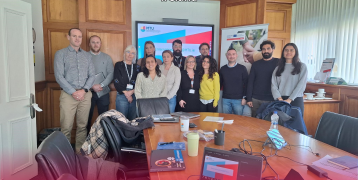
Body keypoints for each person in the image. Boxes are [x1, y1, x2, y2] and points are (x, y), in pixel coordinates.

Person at [54, 28, 95, 152]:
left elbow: (92, 75)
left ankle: (79, 153)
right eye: (74, 36)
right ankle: (65, 155)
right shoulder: (60, 54)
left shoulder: (87, 56)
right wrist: (73, 91)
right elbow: (59, 76)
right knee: (66, 127)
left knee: (82, 126)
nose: (77, 39)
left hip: (85, 95)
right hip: (68, 95)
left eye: (80, 37)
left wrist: (84, 90)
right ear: (68, 37)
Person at [86, 35, 114, 133]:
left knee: (104, 119)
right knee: (86, 119)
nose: (95, 44)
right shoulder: (84, 57)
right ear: (89, 44)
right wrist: (91, 86)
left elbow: (111, 74)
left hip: (103, 92)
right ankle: (87, 142)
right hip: (88, 92)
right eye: (93, 42)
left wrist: (101, 85)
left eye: (97, 42)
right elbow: (81, 75)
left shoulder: (107, 58)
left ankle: (104, 140)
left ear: (101, 44)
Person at [271, 43, 308, 116]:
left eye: (291, 50)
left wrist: (290, 99)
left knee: (296, 125)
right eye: (286, 50)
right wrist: (280, 99)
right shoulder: (278, 68)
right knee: (280, 125)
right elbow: (273, 85)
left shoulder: (302, 67)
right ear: (283, 52)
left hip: (295, 99)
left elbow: (301, 85)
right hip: (280, 100)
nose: (288, 52)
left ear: (295, 52)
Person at [247, 40, 279, 117]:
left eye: (268, 49)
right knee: (255, 122)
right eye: (264, 49)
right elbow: (250, 82)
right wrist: (249, 99)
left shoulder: (279, 63)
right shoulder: (255, 64)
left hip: (272, 99)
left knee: (269, 123)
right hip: (256, 99)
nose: (266, 51)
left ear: (273, 50)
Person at [220, 48, 250, 116]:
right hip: (226, 99)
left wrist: (245, 98)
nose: (231, 56)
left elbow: (246, 84)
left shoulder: (242, 68)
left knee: (238, 121)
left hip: (238, 99)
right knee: (226, 119)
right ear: (226, 56)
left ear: (236, 55)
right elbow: (219, 84)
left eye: (233, 54)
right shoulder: (223, 69)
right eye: (229, 54)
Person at [113, 45, 139, 120]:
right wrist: (127, 94)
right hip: (122, 96)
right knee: (122, 121)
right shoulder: (118, 65)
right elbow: (116, 80)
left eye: (132, 53)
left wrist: (131, 92)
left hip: (134, 96)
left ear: (135, 55)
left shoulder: (137, 67)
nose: (130, 54)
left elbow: (139, 83)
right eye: (128, 52)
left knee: (132, 120)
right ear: (124, 53)